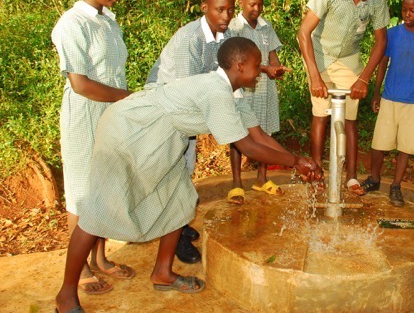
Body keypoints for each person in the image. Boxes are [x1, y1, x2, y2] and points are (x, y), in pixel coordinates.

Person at [54, 37, 323, 313]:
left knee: (179, 200)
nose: (260, 71)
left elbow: (259, 136)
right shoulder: (216, 91)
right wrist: (295, 161)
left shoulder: (232, 93)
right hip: (129, 131)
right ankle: (65, 296)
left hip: (161, 138)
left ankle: (162, 273)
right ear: (240, 66)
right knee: (98, 212)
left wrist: (300, 162)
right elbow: (248, 147)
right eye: (257, 65)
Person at [51, 0, 135, 296]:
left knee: (105, 187)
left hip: (110, 115)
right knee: (83, 194)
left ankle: (99, 256)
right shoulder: (71, 24)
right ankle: (80, 267)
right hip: (85, 116)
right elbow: (81, 84)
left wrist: (122, 102)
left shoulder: (108, 22)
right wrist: (127, 97)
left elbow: (113, 72)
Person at [145, 0, 236, 263]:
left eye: (231, 10)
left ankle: (179, 224)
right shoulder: (189, 39)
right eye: (220, 9)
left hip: (189, 109)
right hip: (167, 108)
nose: (226, 16)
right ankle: (174, 237)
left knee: (186, 167)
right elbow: (187, 92)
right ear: (204, 8)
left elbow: (225, 76)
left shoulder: (227, 35)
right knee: (175, 171)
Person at [298, 0, 390, 191]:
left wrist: (364, 78)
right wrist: (315, 76)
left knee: (350, 119)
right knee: (320, 114)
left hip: (349, 59)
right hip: (321, 55)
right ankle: (316, 172)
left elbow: (381, 41)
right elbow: (303, 33)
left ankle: (351, 176)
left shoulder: (377, 0)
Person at [359, 0, 414, 206]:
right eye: (404, 9)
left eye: (412, 11)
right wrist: (376, 92)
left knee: (406, 146)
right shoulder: (393, 34)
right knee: (379, 143)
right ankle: (374, 178)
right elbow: (383, 62)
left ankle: (396, 185)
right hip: (390, 97)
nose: (407, 14)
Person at [228, 0, 291, 204]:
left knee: (264, 133)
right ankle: (236, 183)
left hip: (265, 89)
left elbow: (272, 54)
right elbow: (236, 61)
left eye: (260, 4)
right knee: (238, 135)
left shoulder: (266, 27)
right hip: (243, 90)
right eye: (252, 4)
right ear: (241, 3)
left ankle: (262, 178)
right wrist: (264, 68)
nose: (257, 8)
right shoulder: (234, 27)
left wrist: (277, 68)